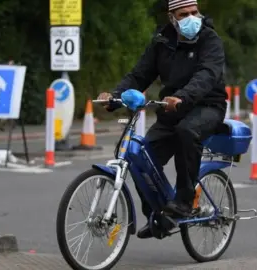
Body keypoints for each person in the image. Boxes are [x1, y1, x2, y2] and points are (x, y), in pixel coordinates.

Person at [97, 0, 227, 239]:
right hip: (172, 109)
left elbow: (207, 75)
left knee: (187, 132)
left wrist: (182, 96)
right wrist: (114, 96)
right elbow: (139, 74)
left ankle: (184, 202)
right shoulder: (162, 41)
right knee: (141, 156)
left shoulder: (211, 40)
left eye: (194, 12)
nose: (192, 18)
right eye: (184, 14)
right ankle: (157, 215)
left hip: (207, 106)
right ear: (172, 18)